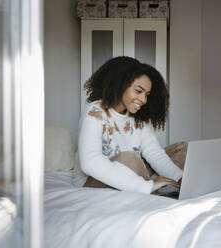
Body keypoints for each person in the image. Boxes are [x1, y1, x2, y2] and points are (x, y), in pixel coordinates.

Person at [77, 56, 187, 194]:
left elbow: (154, 153)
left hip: (133, 172)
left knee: (182, 149)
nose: (143, 100)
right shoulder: (95, 111)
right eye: (138, 91)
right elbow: (90, 162)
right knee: (130, 158)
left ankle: (171, 185)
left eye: (147, 95)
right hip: (94, 181)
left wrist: (179, 178)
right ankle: (153, 188)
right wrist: (145, 186)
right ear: (121, 85)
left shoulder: (138, 117)